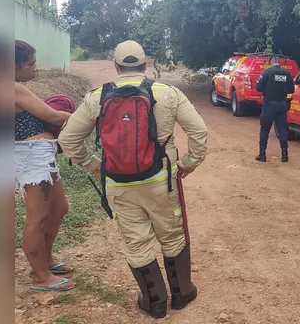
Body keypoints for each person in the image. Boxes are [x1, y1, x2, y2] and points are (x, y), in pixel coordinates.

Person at [58, 40, 208, 319]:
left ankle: (154, 302)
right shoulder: (168, 93)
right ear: (145, 64)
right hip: (161, 180)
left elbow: (67, 139)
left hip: (118, 184)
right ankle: (182, 293)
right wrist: (188, 164)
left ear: (115, 66)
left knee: (136, 242)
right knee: (172, 234)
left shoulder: (97, 97)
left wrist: (93, 166)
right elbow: (199, 133)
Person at [14, 40, 75, 292]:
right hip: (30, 157)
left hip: (39, 156)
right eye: (30, 64)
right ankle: (41, 276)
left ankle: (45, 260)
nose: (35, 69)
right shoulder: (11, 88)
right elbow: (50, 115)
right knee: (37, 217)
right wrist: (83, 116)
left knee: (59, 207)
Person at [254, 54, 295, 162]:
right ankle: (284, 155)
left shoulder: (267, 72)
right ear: (279, 62)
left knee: (264, 130)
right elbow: (292, 90)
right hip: (282, 105)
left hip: (269, 105)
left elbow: (258, 87)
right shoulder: (287, 73)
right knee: (282, 129)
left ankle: (262, 154)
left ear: (270, 62)